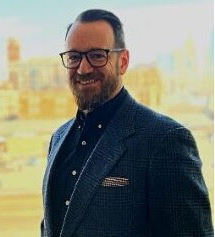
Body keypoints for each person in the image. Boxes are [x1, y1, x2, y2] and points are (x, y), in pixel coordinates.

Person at [41, 9, 213, 237]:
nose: (83, 68)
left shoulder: (166, 139)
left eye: (97, 55)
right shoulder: (59, 138)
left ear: (123, 62)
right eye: (74, 56)